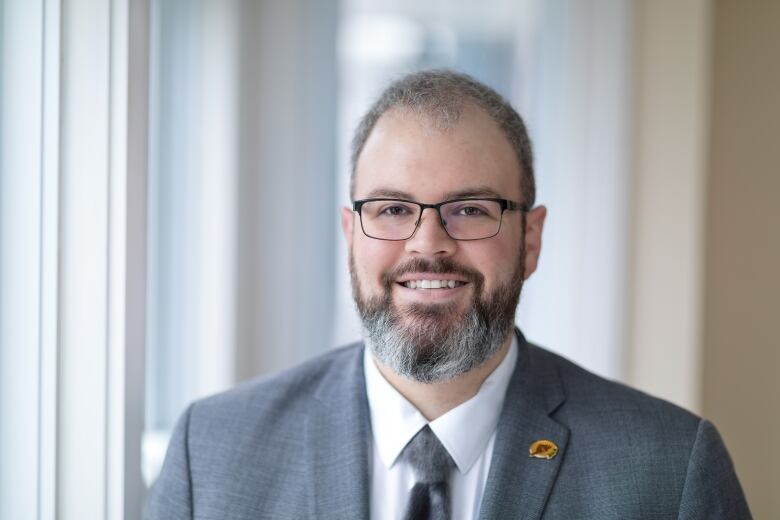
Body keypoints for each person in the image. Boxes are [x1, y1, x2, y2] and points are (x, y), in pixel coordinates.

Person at [145, 70, 751, 519]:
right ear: (349, 235)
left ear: (530, 240)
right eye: (391, 209)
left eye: (470, 209)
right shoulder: (215, 453)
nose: (428, 244)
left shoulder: (668, 469)